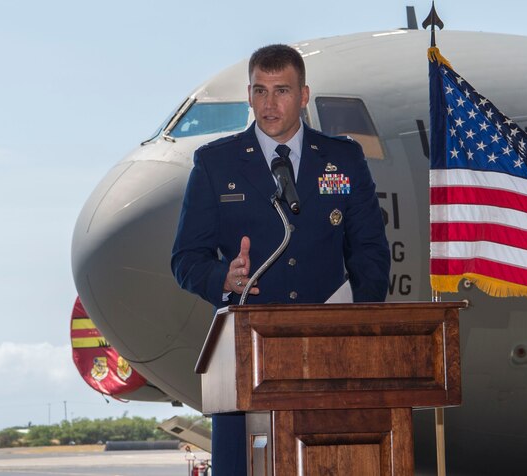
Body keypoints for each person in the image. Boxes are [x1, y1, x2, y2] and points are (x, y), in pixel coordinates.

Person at [171, 44, 390, 475]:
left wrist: (353, 323)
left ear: (304, 96)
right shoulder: (216, 163)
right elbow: (185, 259)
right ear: (249, 95)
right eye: (260, 91)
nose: (269, 104)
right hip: (246, 356)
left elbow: (370, 252)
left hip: (329, 353)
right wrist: (225, 278)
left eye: (282, 91)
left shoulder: (343, 158)